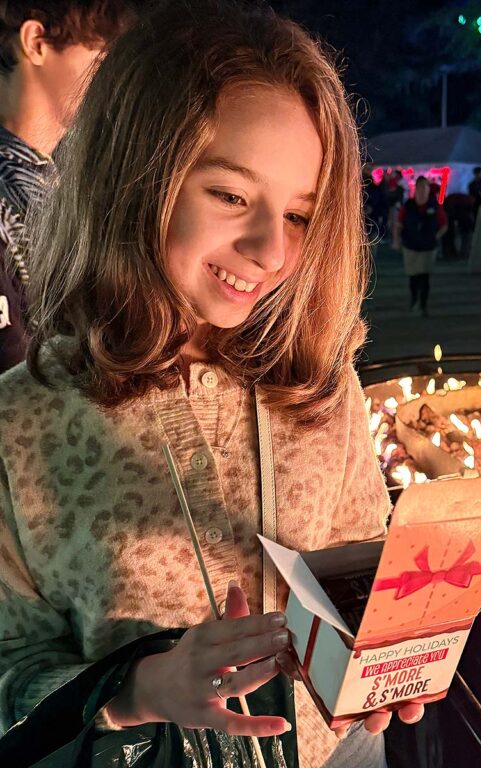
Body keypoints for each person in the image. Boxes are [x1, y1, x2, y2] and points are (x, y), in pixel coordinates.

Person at [0, 3, 424, 767]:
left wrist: (386, 656)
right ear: (133, 175)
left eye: (300, 214)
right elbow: (11, 671)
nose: (271, 250)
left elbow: (362, 561)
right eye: (230, 195)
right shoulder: (19, 423)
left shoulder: (322, 386)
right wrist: (139, 690)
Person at [0, 0, 134, 373]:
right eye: (100, 61)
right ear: (36, 42)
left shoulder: (65, 180)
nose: (111, 82)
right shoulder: (12, 192)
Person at [393, 175, 447, 317]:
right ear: (415, 189)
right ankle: (414, 299)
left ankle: (423, 304)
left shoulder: (435, 206)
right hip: (410, 246)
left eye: (425, 187)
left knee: (425, 277)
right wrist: (396, 240)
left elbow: (444, 224)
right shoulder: (408, 206)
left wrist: (436, 236)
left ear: (429, 189)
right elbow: (399, 225)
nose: (423, 190)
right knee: (413, 277)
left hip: (428, 247)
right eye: (420, 187)